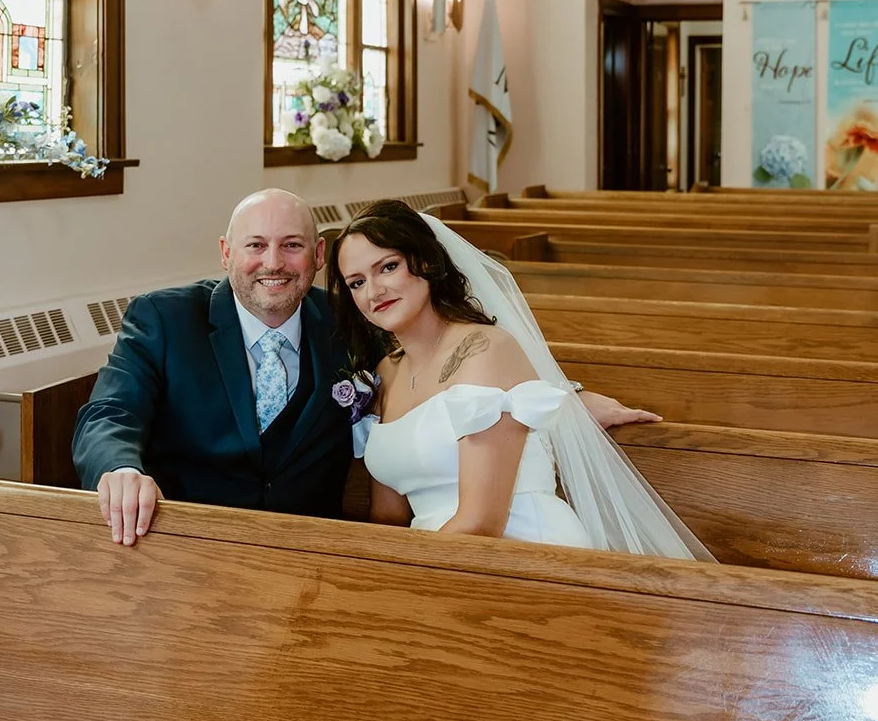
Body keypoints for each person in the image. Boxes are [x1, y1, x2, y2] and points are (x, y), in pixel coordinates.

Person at [73, 187, 665, 546]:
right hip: (193, 543)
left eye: (292, 245)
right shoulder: (165, 319)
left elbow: (475, 377)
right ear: (227, 253)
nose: (272, 263)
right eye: (254, 246)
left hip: (320, 549)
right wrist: (119, 468)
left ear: (315, 255)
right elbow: (109, 411)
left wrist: (568, 398)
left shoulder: (347, 328)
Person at [328, 199, 712, 559]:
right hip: (439, 555)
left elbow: (482, 522)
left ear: (425, 262)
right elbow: (389, 516)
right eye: (357, 282)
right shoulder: (382, 375)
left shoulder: (484, 350)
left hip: (521, 551)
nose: (374, 292)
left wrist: (402, 579)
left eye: (388, 267)